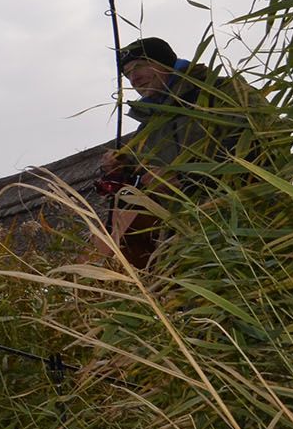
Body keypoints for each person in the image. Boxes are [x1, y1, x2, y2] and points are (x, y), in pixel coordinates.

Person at [104, 37, 264, 267]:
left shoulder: (222, 92)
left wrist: (188, 179)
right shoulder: (148, 128)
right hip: (189, 242)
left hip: (249, 222)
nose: (134, 78)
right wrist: (122, 170)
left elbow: (259, 143)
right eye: (127, 74)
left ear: (165, 62)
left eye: (139, 66)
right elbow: (142, 180)